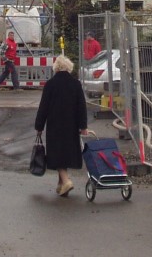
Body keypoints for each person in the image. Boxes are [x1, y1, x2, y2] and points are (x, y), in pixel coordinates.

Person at [34, 55, 88, 197]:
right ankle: (61, 185)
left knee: (57, 154)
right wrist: (83, 126)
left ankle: (66, 181)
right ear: (69, 67)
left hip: (55, 125)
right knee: (65, 153)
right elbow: (82, 106)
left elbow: (43, 107)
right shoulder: (76, 84)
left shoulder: (50, 84)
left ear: (56, 68)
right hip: (71, 125)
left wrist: (39, 126)